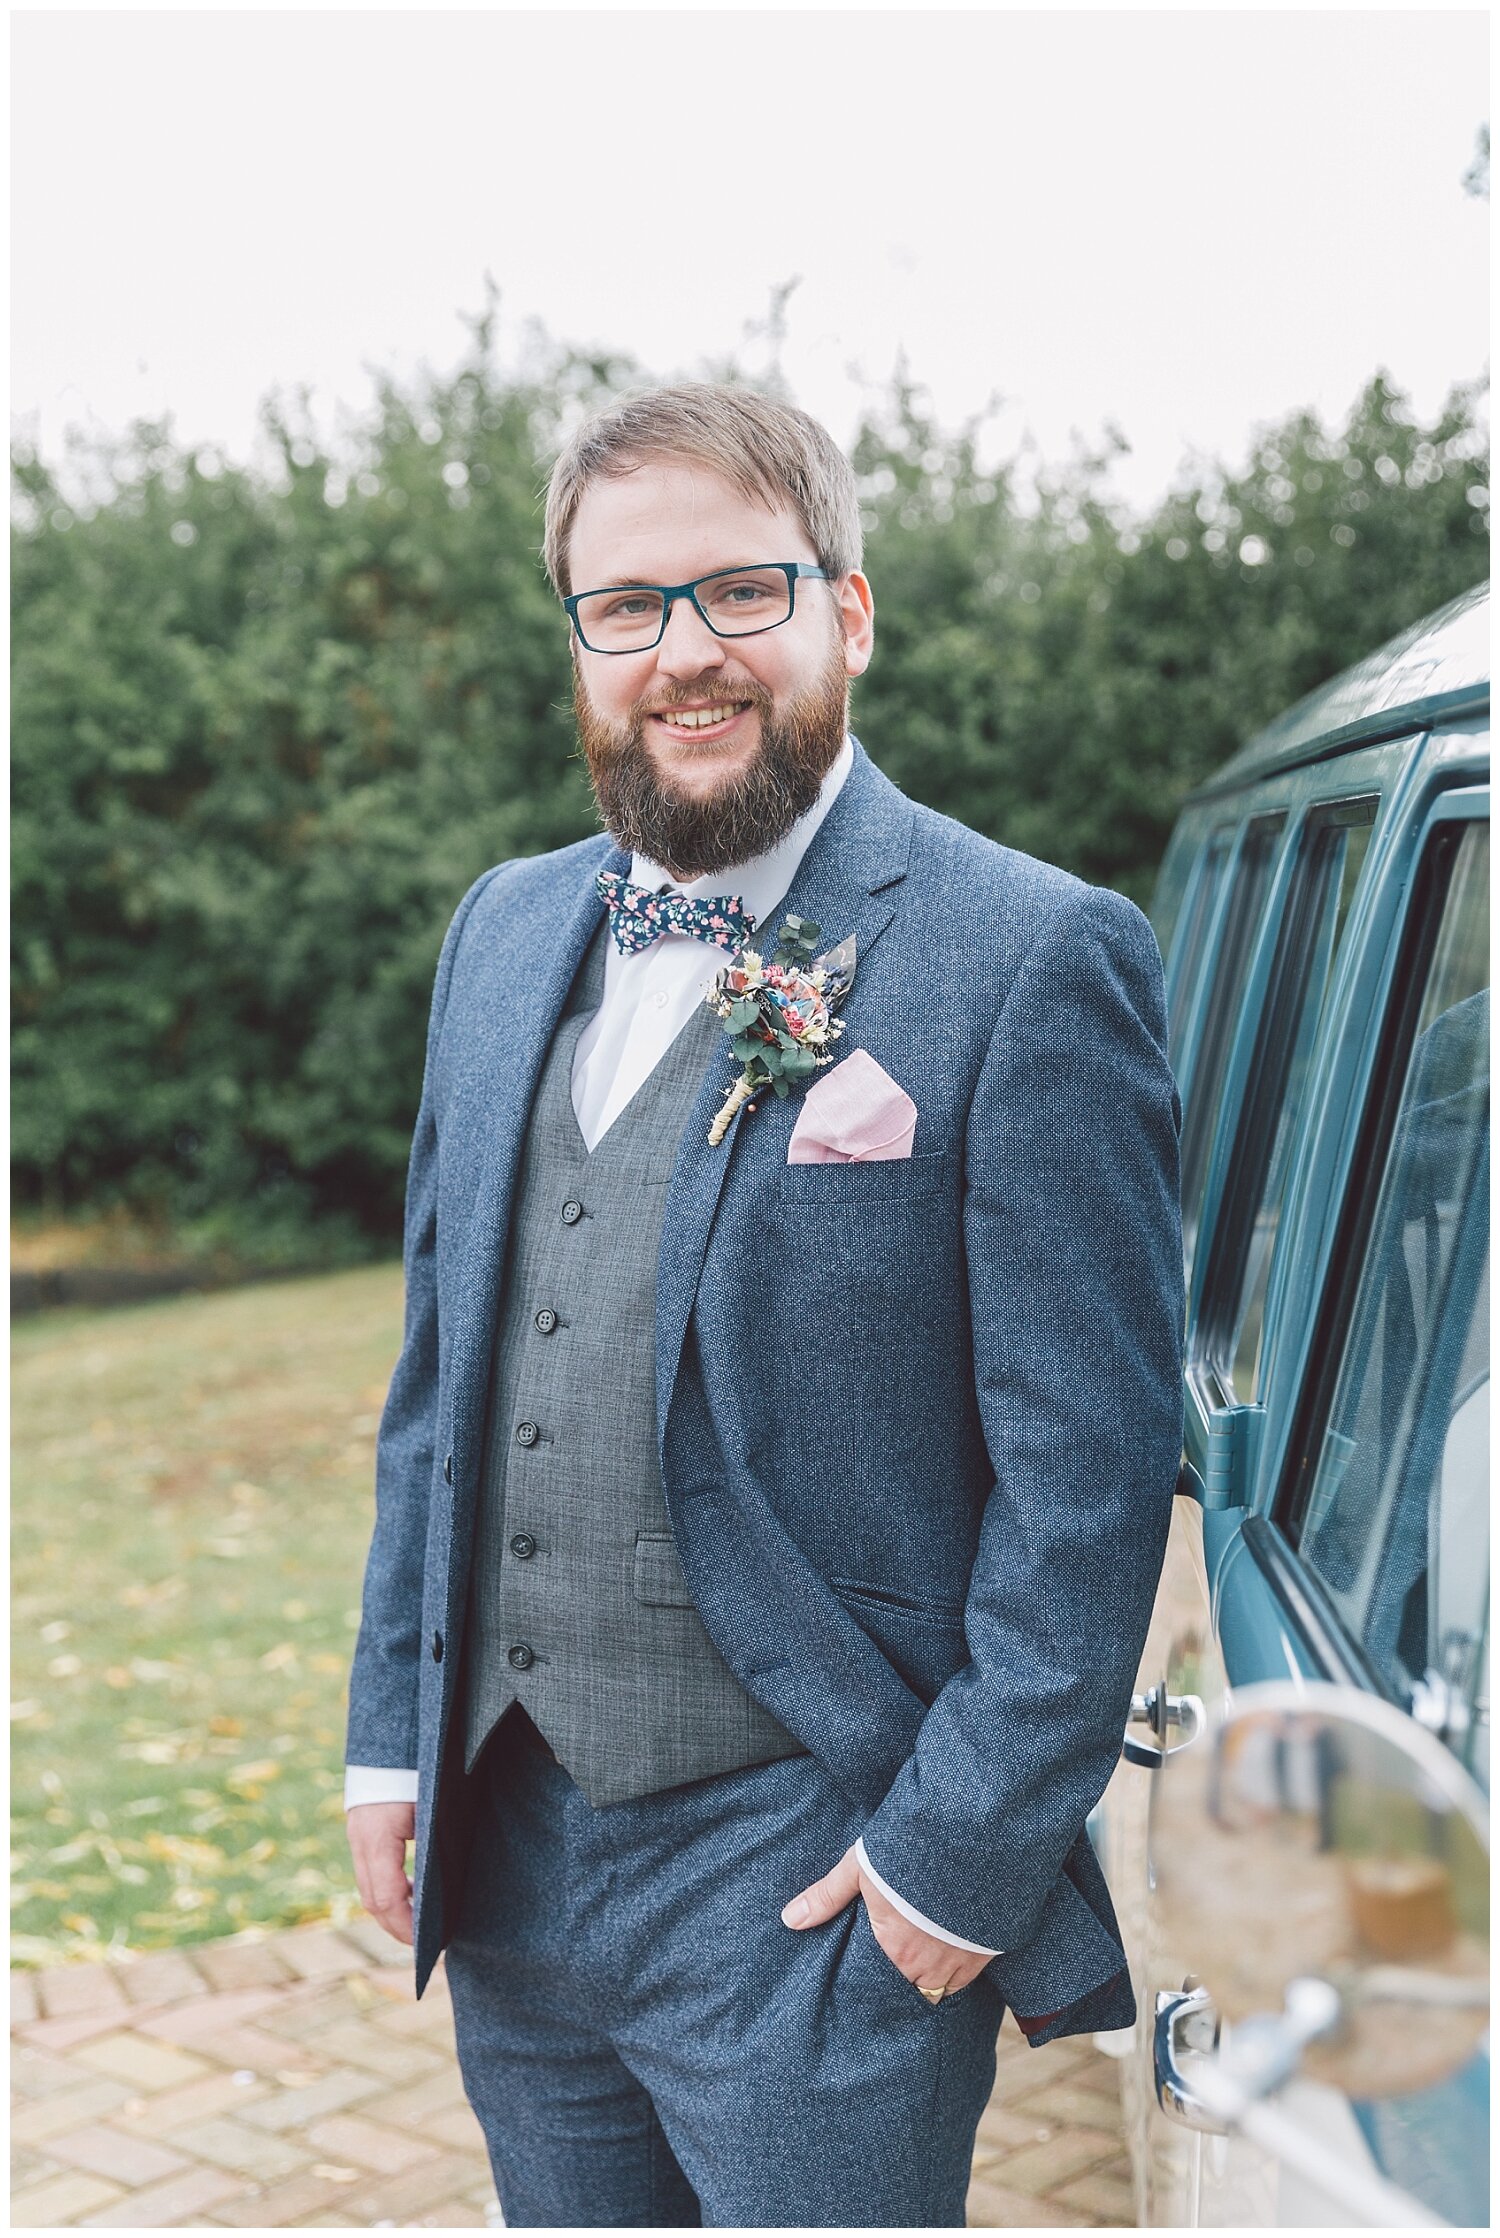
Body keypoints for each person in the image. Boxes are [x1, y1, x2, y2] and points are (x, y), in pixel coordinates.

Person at [344, 383, 1184, 2228]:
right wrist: (391, 1740)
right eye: (626, 607)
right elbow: (443, 1377)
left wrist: (949, 1870)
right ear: (580, 639)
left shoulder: (1031, 957)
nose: (685, 655)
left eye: (743, 590)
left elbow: (1093, 1484)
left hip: (820, 1885)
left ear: (849, 611)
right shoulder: (499, 931)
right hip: (515, 1861)